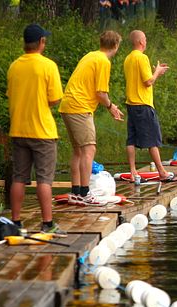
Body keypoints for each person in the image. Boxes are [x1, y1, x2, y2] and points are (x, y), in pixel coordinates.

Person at [6, 24, 64, 231]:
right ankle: (47, 224)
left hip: (18, 130)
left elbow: (11, 94)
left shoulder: (14, 66)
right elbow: (55, 98)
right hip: (42, 132)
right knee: (44, 179)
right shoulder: (48, 66)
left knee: (19, 178)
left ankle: (15, 222)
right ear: (41, 42)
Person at [59, 30, 124, 206]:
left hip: (68, 105)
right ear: (116, 46)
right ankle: (86, 193)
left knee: (78, 151)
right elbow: (101, 93)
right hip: (80, 107)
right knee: (89, 150)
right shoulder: (103, 61)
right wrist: (111, 107)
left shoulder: (91, 55)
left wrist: (110, 106)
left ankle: (76, 192)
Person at [123, 30, 174, 185]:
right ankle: (162, 172)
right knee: (153, 139)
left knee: (131, 139)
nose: (146, 41)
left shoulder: (128, 58)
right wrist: (157, 72)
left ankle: (133, 172)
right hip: (143, 104)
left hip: (131, 104)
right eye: (145, 38)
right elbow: (148, 82)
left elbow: (141, 79)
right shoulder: (142, 57)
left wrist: (155, 72)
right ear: (140, 42)